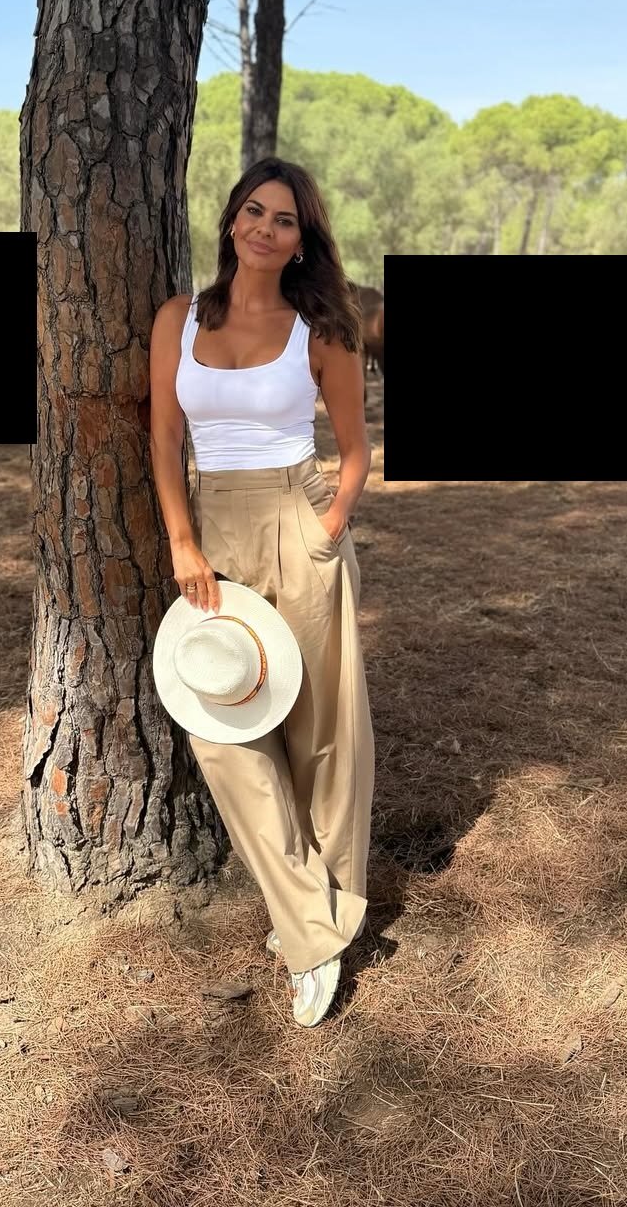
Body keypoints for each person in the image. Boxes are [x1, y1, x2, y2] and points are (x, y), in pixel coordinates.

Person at [148, 157, 375, 1027]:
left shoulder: (320, 327)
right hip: (212, 527)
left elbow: (353, 450)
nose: (265, 229)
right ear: (231, 220)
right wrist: (183, 541)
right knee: (221, 726)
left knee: (321, 730)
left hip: (297, 514)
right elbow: (164, 438)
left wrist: (328, 526)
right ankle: (310, 920)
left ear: (302, 240)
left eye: (285, 220)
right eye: (254, 211)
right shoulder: (180, 318)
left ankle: (328, 910)